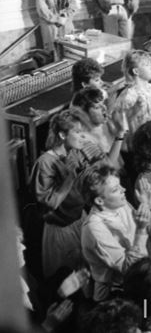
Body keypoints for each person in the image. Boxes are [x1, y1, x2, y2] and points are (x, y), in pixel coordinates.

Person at [31, 109, 103, 279]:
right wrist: (70, 176)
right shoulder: (45, 163)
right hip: (60, 230)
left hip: (79, 219)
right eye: (78, 132)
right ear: (63, 135)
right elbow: (49, 202)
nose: (82, 137)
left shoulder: (75, 153)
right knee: (69, 276)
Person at [80, 162, 151, 302]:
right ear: (100, 200)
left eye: (120, 185)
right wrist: (141, 229)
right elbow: (129, 268)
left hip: (139, 278)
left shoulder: (119, 204)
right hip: (116, 294)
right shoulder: (94, 227)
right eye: (115, 190)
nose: (124, 189)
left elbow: (142, 233)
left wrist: (146, 205)